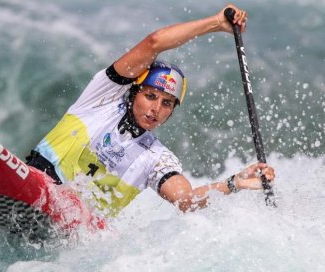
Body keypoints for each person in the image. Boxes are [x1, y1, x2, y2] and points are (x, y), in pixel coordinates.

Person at [26, 4, 275, 218]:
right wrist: (215, 23)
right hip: (38, 183)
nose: (155, 108)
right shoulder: (102, 98)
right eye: (150, 95)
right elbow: (154, 42)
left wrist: (235, 183)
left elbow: (186, 200)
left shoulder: (156, 158)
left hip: (77, 230)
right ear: (135, 92)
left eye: (167, 103)